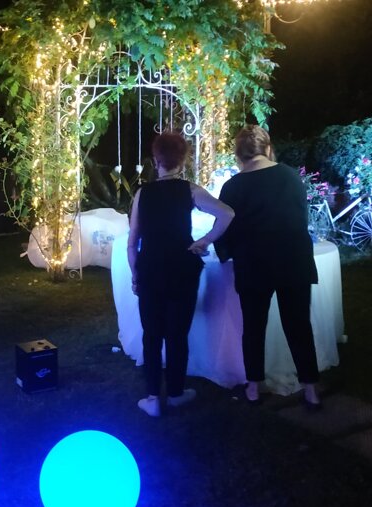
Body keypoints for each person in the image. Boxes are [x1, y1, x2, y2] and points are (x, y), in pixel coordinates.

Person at [215, 124, 323, 410]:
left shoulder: (232, 186)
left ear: (239, 154)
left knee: (253, 327)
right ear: (267, 147)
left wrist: (224, 253)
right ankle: (311, 389)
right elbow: (300, 217)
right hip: (294, 260)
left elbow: (224, 228)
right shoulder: (291, 176)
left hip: (254, 264)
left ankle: (253, 387)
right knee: (299, 326)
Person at [127, 132, 235, 417]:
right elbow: (227, 214)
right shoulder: (190, 190)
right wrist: (205, 241)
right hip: (181, 268)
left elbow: (132, 242)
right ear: (183, 160)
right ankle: (175, 393)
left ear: (156, 160)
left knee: (151, 334)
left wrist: (135, 274)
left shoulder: (143, 193)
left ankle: (153, 397)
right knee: (177, 334)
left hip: (150, 268)